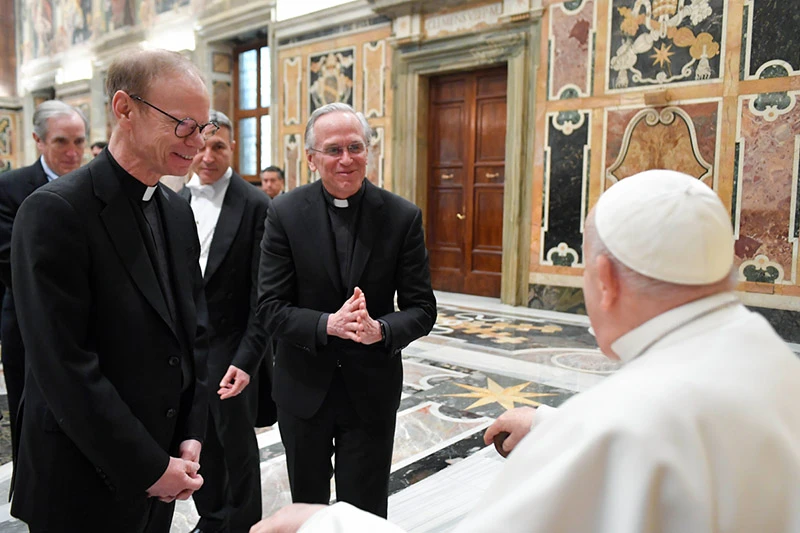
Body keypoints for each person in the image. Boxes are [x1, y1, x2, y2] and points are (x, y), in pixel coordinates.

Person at [251, 169, 800, 533]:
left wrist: (319, 524)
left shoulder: (616, 423)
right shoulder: (772, 358)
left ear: (605, 279)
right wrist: (558, 428)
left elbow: (629, 435)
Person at [10, 49, 213, 532]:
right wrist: (148, 466)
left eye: (205, 128)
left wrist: (190, 435)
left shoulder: (176, 210)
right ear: (125, 108)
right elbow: (64, 367)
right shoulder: (55, 211)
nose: (198, 143)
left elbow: (194, 332)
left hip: (163, 467)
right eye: (184, 125)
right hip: (82, 478)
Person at [256, 102, 437, 519]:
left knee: (366, 513)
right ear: (311, 158)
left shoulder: (401, 216)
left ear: (368, 151)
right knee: (308, 509)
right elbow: (269, 307)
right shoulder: (283, 213)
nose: (346, 159)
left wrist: (382, 330)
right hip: (304, 392)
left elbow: (422, 308)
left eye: (355, 147)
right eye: (333, 150)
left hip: (370, 391)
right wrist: (327, 324)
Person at [179, 109, 273, 533]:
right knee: (196, 442)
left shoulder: (255, 204)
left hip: (233, 346)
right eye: (203, 145)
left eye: (219, 146)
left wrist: (248, 359)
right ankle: (211, 517)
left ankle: (243, 524)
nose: (209, 155)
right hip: (185, 348)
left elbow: (262, 294)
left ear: (232, 147)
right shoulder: (174, 199)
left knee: (236, 445)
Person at [0, 99, 88, 461]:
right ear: (38, 140)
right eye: (61, 142)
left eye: (79, 142)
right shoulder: (10, 187)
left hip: (88, 324)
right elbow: (11, 259)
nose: (73, 152)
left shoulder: (95, 184)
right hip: (29, 320)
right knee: (31, 413)